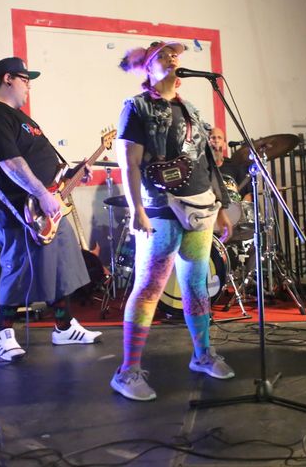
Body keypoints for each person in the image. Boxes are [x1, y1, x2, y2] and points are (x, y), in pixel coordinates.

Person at [111, 40, 235, 401]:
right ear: (148, 68)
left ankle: (203, 354)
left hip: (200, 207)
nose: (172, 58)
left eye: (175, 54)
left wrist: (221, 205)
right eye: (162, 56)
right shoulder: (136, 107)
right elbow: (129, 163)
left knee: (196, 284)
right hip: (160, 209)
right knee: (149, 287)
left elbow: (206, 162)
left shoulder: (191, 110)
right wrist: (137, 209)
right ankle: (127, 371)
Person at [0, 57, 102, 363]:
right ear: (7, 79)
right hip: (18, 211)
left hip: (47, 207)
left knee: (60, 266)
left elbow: (43, 162)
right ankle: (3, 335)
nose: (28, 86)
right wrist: (42, 194)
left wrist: (72, 175)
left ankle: (64, 327)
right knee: (17, 270)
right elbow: (9, 161)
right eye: (25, 80)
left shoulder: (23, 119)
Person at [208, 127, 252, 200]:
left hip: (232, 206)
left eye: (219, 138)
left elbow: (248, 194)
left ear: (224, 144)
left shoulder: (234, 166)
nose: (216, 140)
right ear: (208, 143)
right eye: (213, 138)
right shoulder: (202, 167)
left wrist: (242, 204)